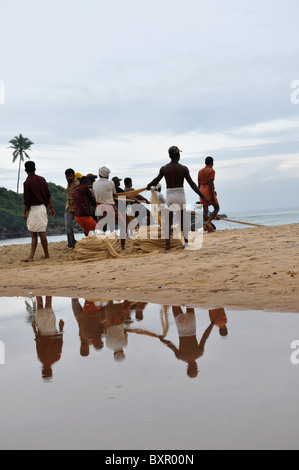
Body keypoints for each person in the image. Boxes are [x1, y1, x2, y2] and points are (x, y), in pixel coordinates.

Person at [147, 146, 211, 250]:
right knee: (183, 221)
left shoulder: (164, 168)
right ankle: (186, 243)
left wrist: (148, 185)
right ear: (178, 155)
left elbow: (156, 180)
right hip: (181, 194)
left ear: (169, 156)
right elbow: (192, 184)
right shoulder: (183, 168)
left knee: (168, 221)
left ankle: (168, 246)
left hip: (170, 194)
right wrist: (204, 197)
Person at [22, 161, 55, 262]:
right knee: (42, 232)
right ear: (35, 169)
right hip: (42, 208)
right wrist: (51, 207)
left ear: (25, 170)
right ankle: (46, 254)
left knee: (34, 234)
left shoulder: (27, 183)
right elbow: (48, 194)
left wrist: (24, 212)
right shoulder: (42, 179)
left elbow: (27, 200)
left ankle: (31, 256)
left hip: (34, 209)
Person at [93, 166, 126, 250]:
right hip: (109, 206)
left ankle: (103, 246)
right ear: (107, 175)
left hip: (99, 207)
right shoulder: (110, 183)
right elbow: (114, 194)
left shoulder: (94, 184)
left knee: (102, 227)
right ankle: (123, 247)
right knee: (122, 225)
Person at [198, 156, 220, 232]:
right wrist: (211, 195)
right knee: (217, 208)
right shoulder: (211, 171)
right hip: (208, 189)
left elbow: (199, 183)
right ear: (211, 162)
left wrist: (200, 194)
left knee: (205, 210)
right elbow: (210, 183)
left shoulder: (200, 171)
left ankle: (209, 227)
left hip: (201, 189)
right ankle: (209, 221)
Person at [65, 169, 80, 248]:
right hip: (69, 207)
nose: (68, 178)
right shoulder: (68, 183)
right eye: (67, 176)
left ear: (73, 176)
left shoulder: (77, 184)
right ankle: (71, 243)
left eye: (70, 176)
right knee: (68, 225)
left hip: (77, 207)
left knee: (84, 224)